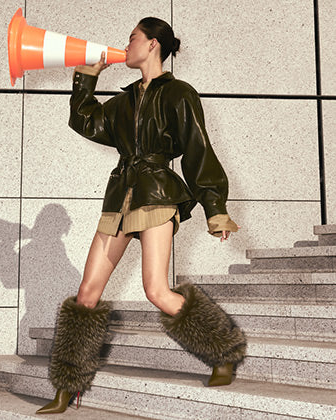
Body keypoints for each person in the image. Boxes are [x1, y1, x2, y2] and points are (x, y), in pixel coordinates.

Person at [36, 17, 246, 415]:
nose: (126, 44)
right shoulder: (125, 100)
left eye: (133, 38)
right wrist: (86, 79)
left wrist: (215, 209)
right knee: (86, 294)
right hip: (120, 196)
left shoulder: (180, 93)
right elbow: (85, 121)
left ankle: (223, 351)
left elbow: (198, 149)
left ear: (152, 44)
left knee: (156, 290)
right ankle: (66, 387)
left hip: (157, 194)